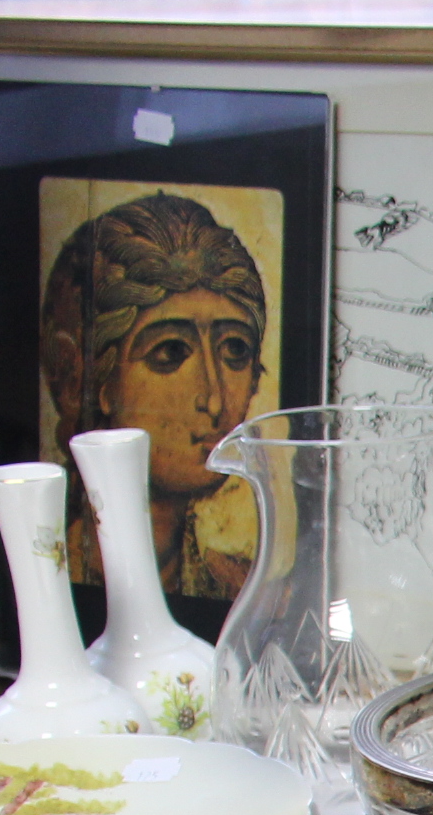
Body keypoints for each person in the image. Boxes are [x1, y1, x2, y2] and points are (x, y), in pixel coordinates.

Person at [38, 191, 270, 600]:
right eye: (171, 353)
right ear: (90, 382)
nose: (214, 401)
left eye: (235, 350)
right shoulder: (48, 582)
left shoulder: (243, 590)